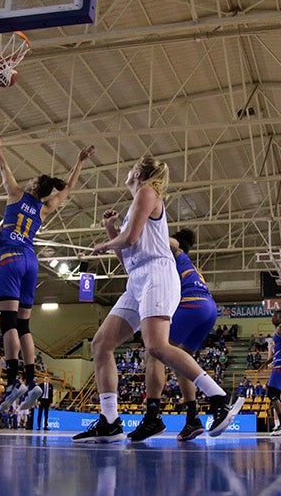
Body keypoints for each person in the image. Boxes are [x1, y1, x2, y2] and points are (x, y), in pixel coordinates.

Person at [74, 156, 241, 443]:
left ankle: (218, 399)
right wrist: (111, 230)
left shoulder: (148, 192)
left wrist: (105, 243)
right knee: (101, 343)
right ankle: (111, 422)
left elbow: (130, 239)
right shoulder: (133, 207)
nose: (127, 170)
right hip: (137, 279)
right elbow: (127, 257)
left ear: (138, 172)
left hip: (157, 276)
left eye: (131, 167)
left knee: (157, 346)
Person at [0, 140, 94, 414]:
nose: (26, 181)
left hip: (11, 258)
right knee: (24, 326)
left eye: (32, 180)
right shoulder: (43, 209)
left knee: (8, 323)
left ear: (33, 187)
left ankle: (12, 382)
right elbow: (68, 189)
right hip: (31, 261)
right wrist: (80, 161)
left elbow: (2, 167)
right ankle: (33, 379)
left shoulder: (15, 194)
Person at [128, 228, 225, 442]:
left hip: (191, 304)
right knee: (180, 361)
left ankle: (152, 416)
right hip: (208, 308)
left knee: (154, 352)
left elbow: (171, 243)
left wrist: (145, 230)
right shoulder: (191, 265)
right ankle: (193, 418)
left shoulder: (174, 252)